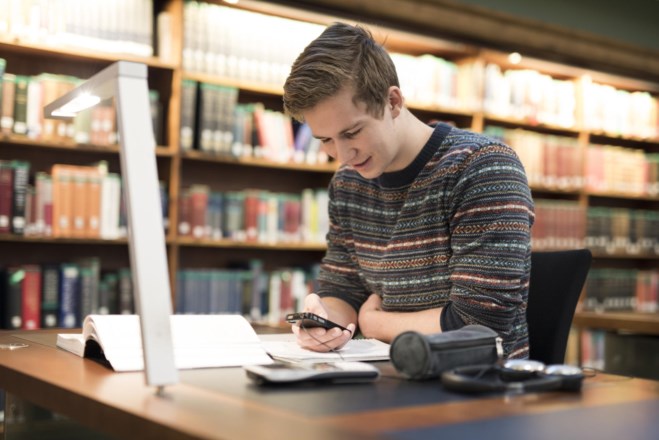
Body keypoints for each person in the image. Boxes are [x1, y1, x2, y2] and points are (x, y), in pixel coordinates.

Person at [282, 22, 534, 359]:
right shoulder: (347, 184)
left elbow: (482, 323)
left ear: (393, 101)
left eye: (353, 132)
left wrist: (375, 324)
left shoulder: (483, 167)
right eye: (325, 140)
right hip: (382, 381)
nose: (342, 155)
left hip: (477, 387)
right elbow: (343, 288)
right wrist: (324, 318)